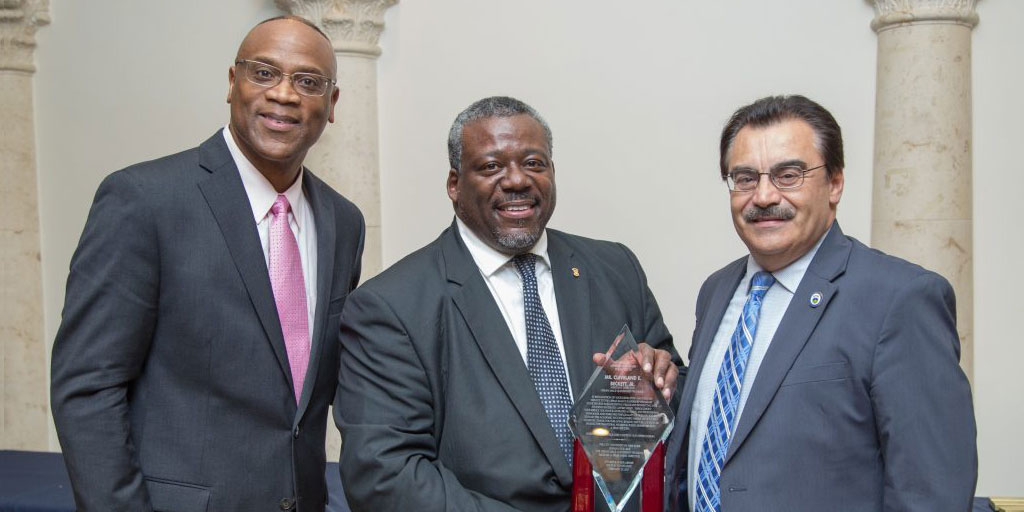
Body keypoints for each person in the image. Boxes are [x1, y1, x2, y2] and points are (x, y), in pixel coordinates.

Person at [50, 16, 364, 512]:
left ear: (331, 105)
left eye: (308, 82)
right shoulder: (144, 200)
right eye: (264, 73)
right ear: (232, 82)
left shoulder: (343, 222)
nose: (284, 94)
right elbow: (88, 387)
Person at [334, 96, 681, 511]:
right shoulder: (391, 306)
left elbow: (673, 399)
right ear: (454, 184)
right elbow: (384, 475)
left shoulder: (614, 268)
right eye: (491, 166)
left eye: (534, 163)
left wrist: (659, 384)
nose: (517, 180)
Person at [665, 95, 977, 511]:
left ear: (834, 184)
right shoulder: (717, 291)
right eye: (743, 178)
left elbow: (930, 493)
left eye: (788, 175)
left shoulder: (900, 299)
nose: (762, 196)